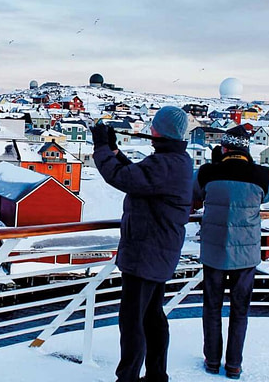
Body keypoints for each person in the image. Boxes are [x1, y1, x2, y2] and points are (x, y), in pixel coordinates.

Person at [90, 106, 193, 382]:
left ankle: (128, 378)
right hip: (158, 251)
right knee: (151, 317)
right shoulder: (174, 160)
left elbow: (122, 178)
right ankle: (157, 375)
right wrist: (112, 150)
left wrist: (100, 146)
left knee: (133, 321)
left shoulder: (165, 163)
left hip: (146, 252)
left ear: (160, 129)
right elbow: (138, 176)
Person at [192, 125, 269, 380]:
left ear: (224, 148)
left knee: (212, 308)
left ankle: (211, 360)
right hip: (246, 253)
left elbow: (195, 194)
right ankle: (234, 365)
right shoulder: (262, 175)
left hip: (214, 251)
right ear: (247, 148)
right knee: (240, 311)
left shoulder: (208, 172)